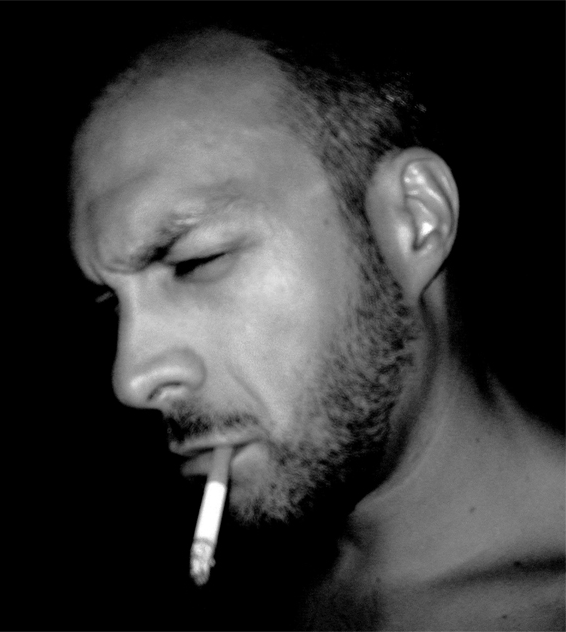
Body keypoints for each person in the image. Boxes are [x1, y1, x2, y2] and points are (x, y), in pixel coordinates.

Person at [70, 27, 565, 630]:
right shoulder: (227, 583)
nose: (131, 379)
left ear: (414, 221)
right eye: (111, 303)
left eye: (196, 262)